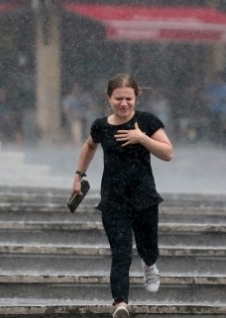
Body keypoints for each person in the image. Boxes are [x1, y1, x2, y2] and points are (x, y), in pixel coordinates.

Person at [70, 73, 174, 318]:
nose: (124, 103)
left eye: (128, 98)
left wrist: (141, 138)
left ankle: (149, 264)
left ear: (136, 97)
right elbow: (89, 146)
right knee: (121, 254)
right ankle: (120, 304)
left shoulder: (147, 122)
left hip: (144, 198)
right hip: (113, 201)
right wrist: (78, 176)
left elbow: (168, 153)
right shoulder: (101, 126)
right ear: (109, 98)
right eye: (118, 98)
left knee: (148, 247)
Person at [62, 80, 88, 146]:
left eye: (78, 88)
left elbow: (90, 105)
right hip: (73, 118)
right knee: (76, 125)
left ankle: (80, 140)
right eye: (75, 88)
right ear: (72, 89)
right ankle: (76, 141)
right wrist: (73, 114)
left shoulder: (83, 97)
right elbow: (66, 110)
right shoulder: (69, 99)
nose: (77, 90)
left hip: (83, 117)